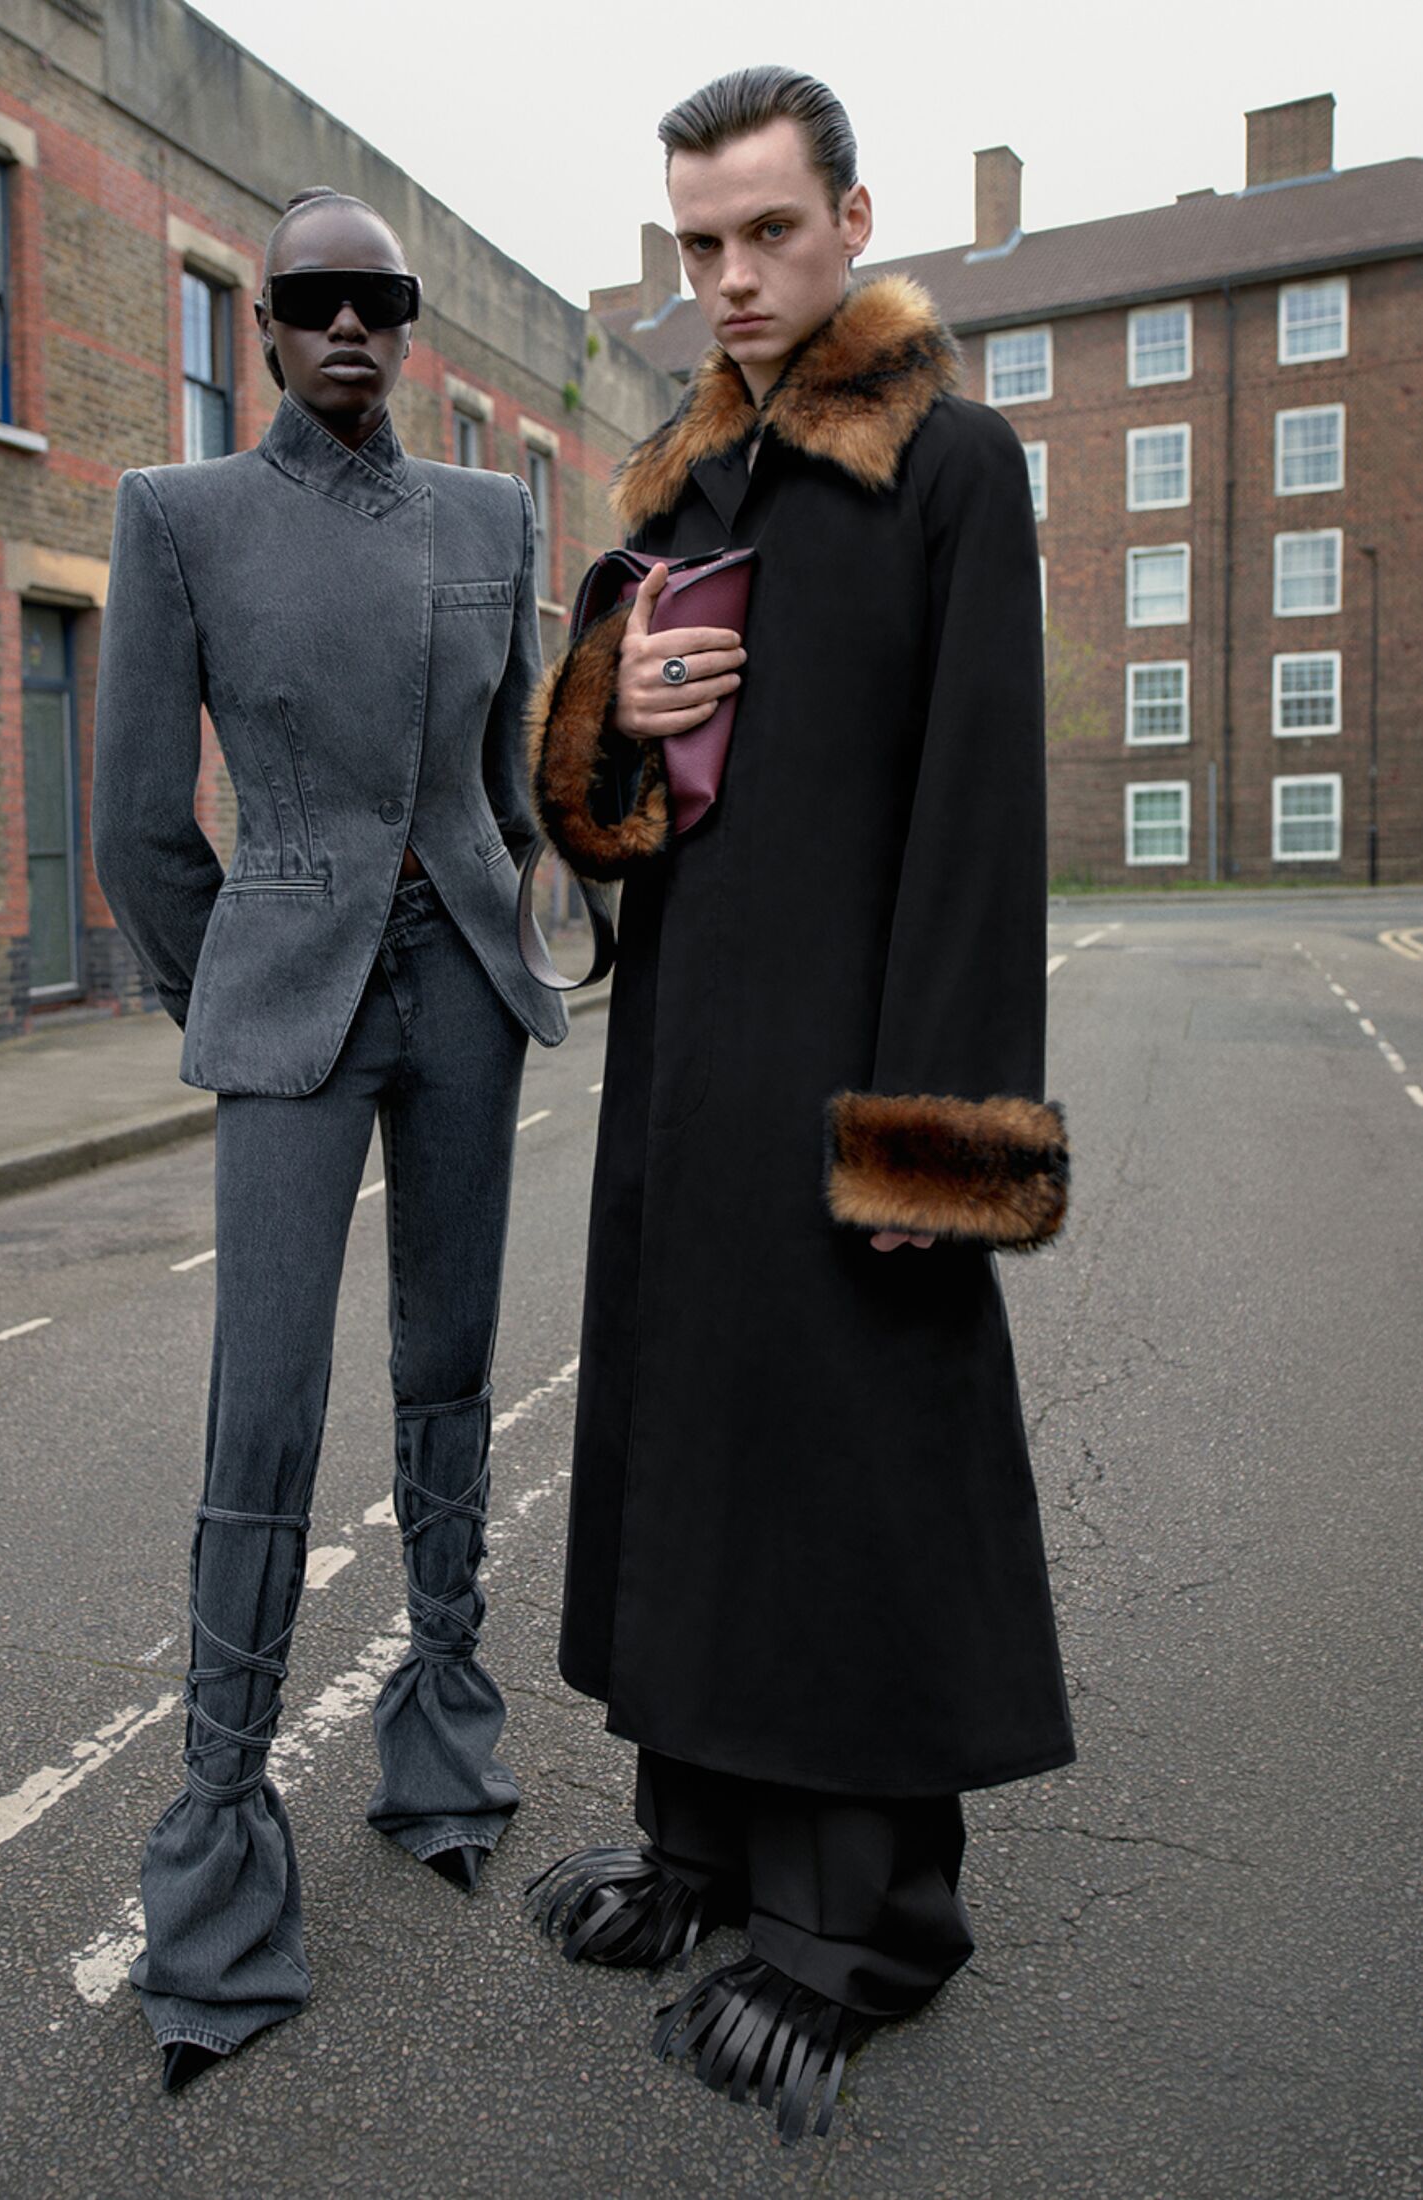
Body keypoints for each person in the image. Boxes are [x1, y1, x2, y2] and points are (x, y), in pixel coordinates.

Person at [523, 68, 1074, 2145]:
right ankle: (702, 1854)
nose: (731, 278)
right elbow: (588, 804)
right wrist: (611, 709)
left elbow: (979, 818)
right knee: (694, 1450)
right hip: (684, 1064)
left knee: (845, 1479)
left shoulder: (952, 461)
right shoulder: (675, 480)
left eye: (766, 232)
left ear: (851, 216)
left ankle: (859, 1931)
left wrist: (937, 1139)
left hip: (858, 1077)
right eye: (699, 244)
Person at [92, 186, 566, 2091]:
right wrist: (254, 987)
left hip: (462, 993)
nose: (349, 326)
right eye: (313, 301)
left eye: (383, 300)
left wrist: (585, 844)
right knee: (265, 1406)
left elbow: (511, 777)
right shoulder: (178, 518)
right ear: (262, 327)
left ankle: (441, 1735)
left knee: (447, 1362)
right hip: (290, 1001)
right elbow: (136, 820)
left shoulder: (492, 518)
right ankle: (217, 1865)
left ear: (407, 325)